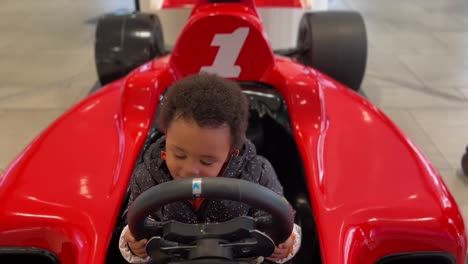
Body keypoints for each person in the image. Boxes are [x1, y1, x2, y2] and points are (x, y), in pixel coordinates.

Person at [119, 73, 301, 263]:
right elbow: (133, 223)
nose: (191, 170)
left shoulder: (257, 172)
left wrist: (286, 242)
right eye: (179, 155)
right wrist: (133, 244)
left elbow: (282, 217)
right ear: (166, 141)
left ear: (230, 154)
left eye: (206, 161)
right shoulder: (146, 175)